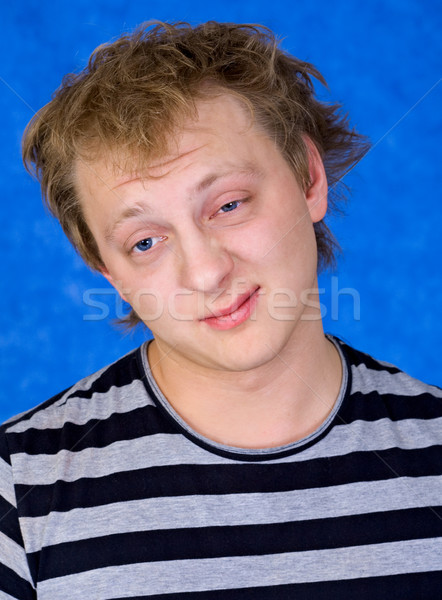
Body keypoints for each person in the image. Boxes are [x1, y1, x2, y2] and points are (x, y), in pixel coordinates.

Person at [1, 21, 441, 599]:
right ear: (109, 272)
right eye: (145, 242)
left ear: (308, 177)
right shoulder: (17, 490)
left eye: (229, 204)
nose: (206, 272)